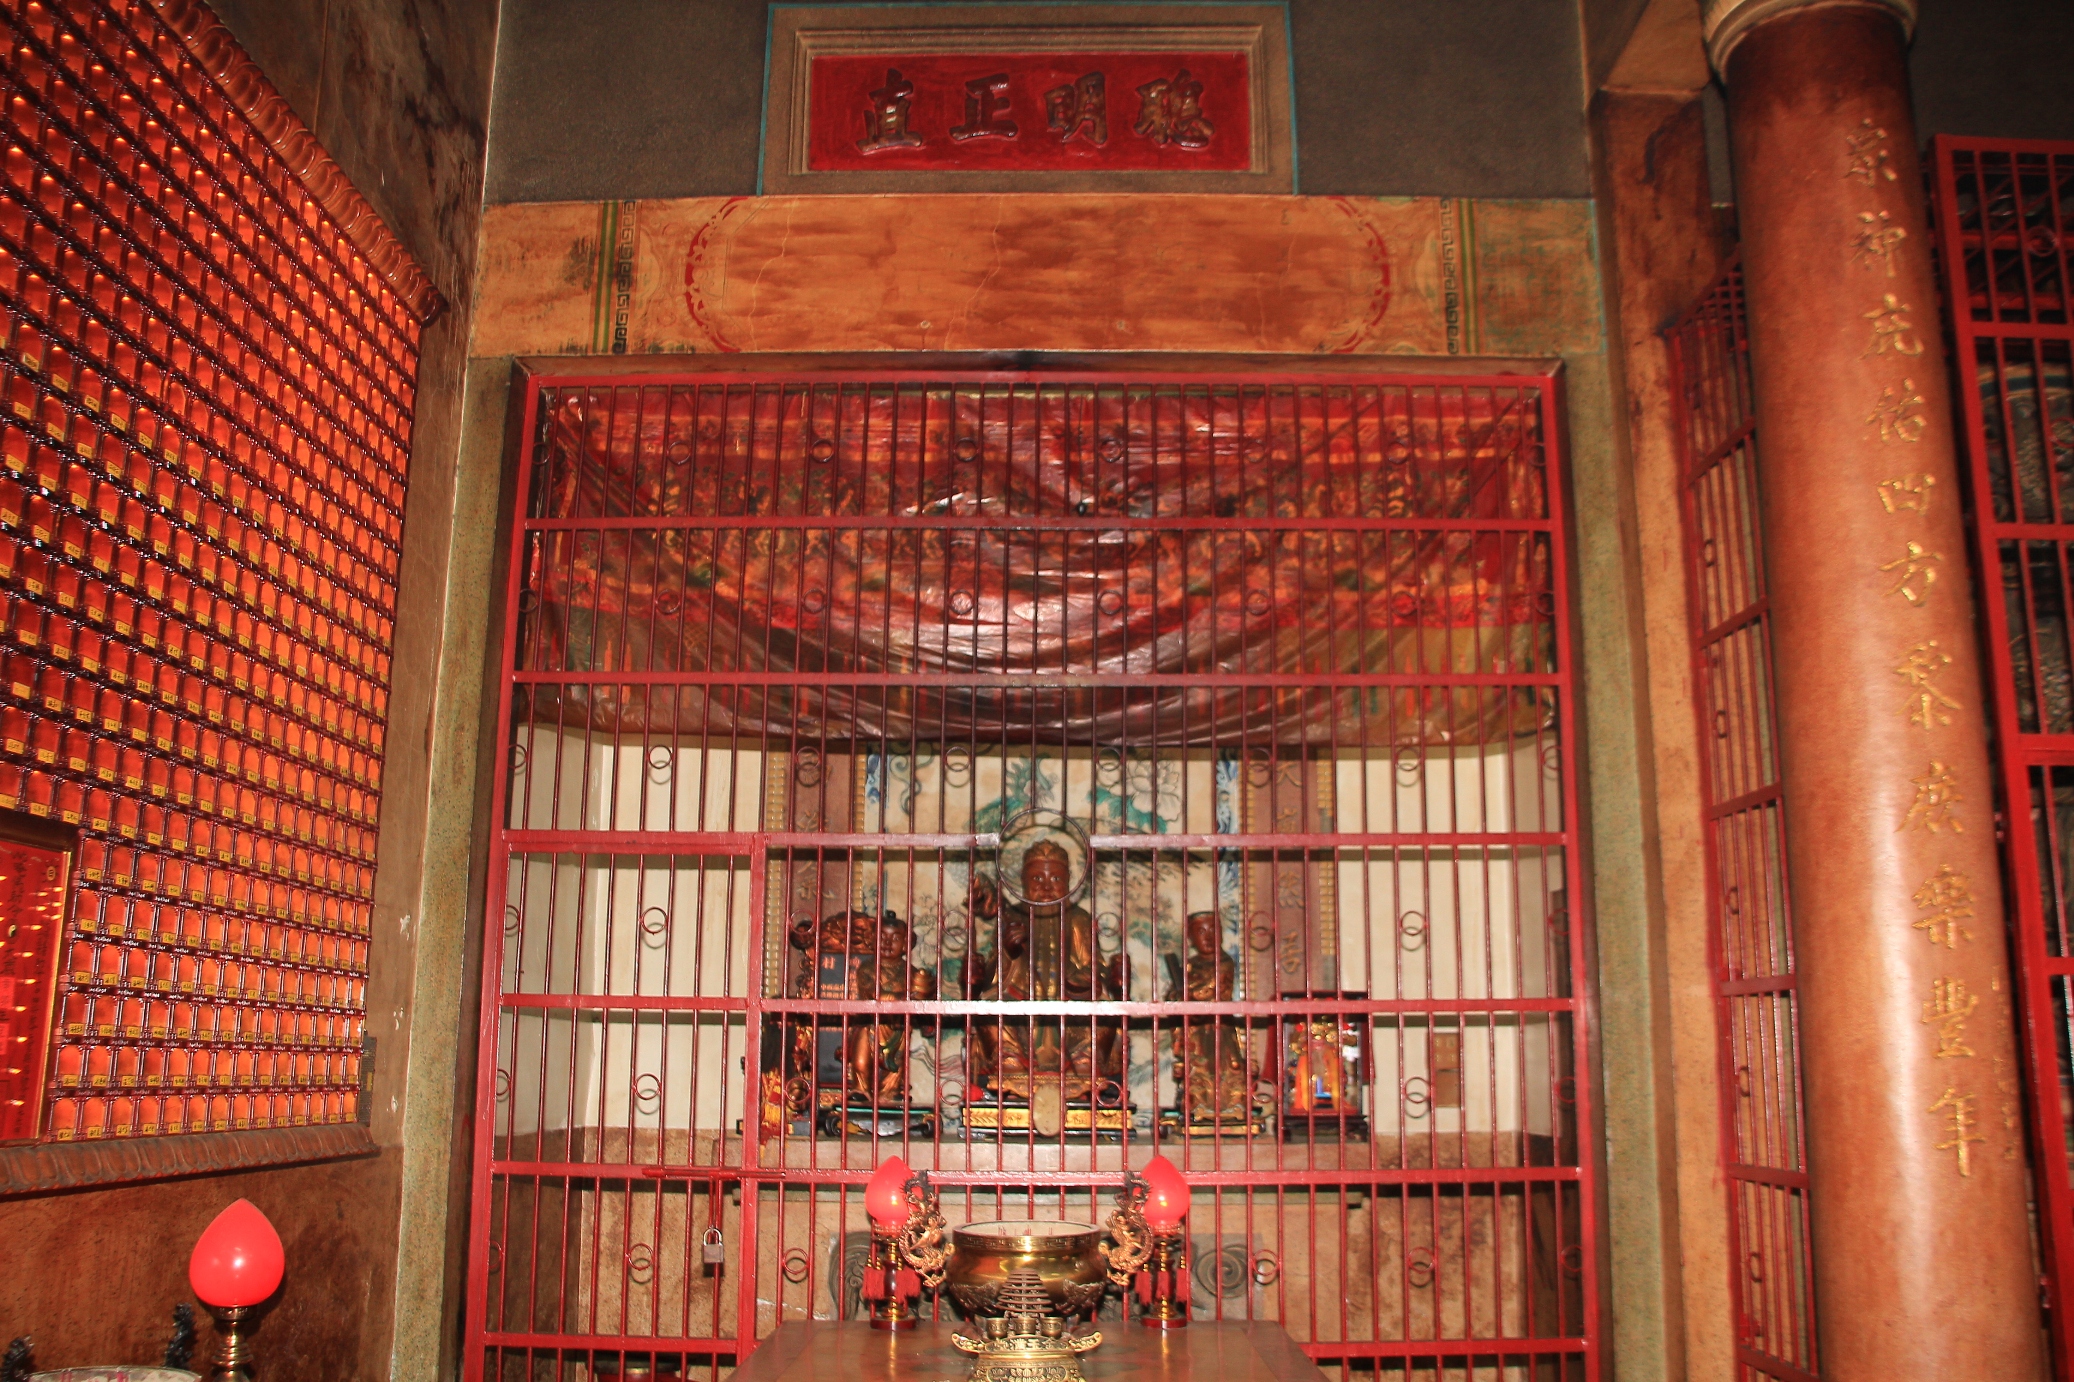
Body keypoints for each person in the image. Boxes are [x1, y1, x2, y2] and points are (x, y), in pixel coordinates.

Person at [966, 840, 1125, 1109]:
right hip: (1019, 1006)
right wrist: (1010, 951)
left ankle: (1083, 1065)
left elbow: (1094, 968)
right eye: (1037, 878)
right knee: (987, 1011)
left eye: (1056, 879)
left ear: (1069, 881)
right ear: (1023, 881)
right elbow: (993, 976)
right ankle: (1010, 1064)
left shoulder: (1078, 918)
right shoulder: (1014, 917)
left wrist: (1079, 982)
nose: (1046, 886)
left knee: (1106, 1016)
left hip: (1071, 1011)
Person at [1168, 910, 1254, 1123]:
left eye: (1213, 930)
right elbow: (1173, 995)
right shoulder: (1190, 965)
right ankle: (1199, 1104)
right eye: (1200, 932)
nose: (1208, 937)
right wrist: (1177, 995)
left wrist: (1185, 994)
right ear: (1190, 938)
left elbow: (1210, 991)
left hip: (1219, 1027)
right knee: (1197, 1067)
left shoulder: (1224, 963)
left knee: (1228, 1066)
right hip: (1195, 1029)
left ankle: (1231, 1104)